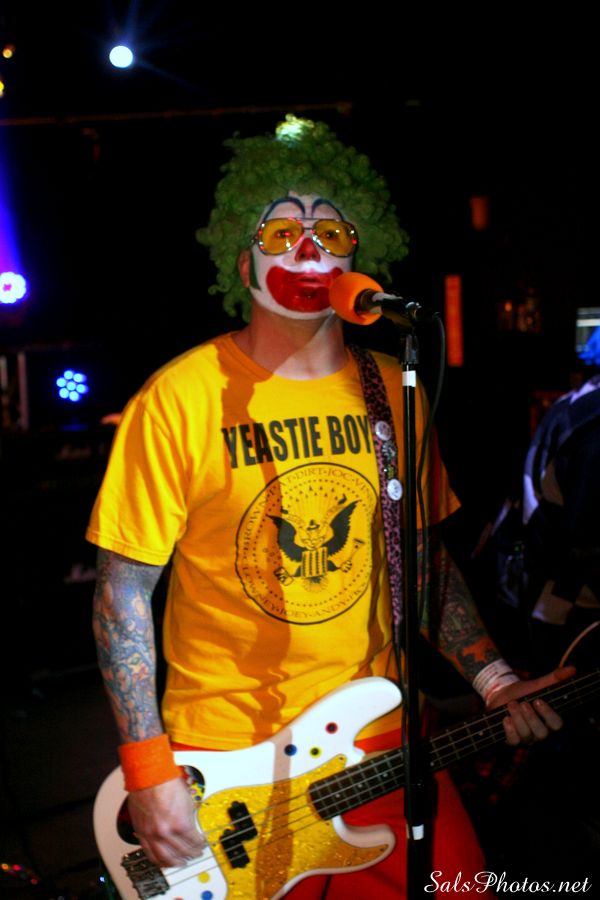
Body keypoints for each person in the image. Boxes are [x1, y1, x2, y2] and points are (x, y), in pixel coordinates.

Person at [88, 115, 571, 897]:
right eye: (281, 232)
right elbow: (122, 591)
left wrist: (494, 681)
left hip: (383, 738)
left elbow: (421, 563)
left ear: (356, 256)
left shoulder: (395, 393)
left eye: (331, 232)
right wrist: (148, 769)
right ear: (241, 259)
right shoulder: (179, 398)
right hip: (229, 758)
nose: (309, 249)